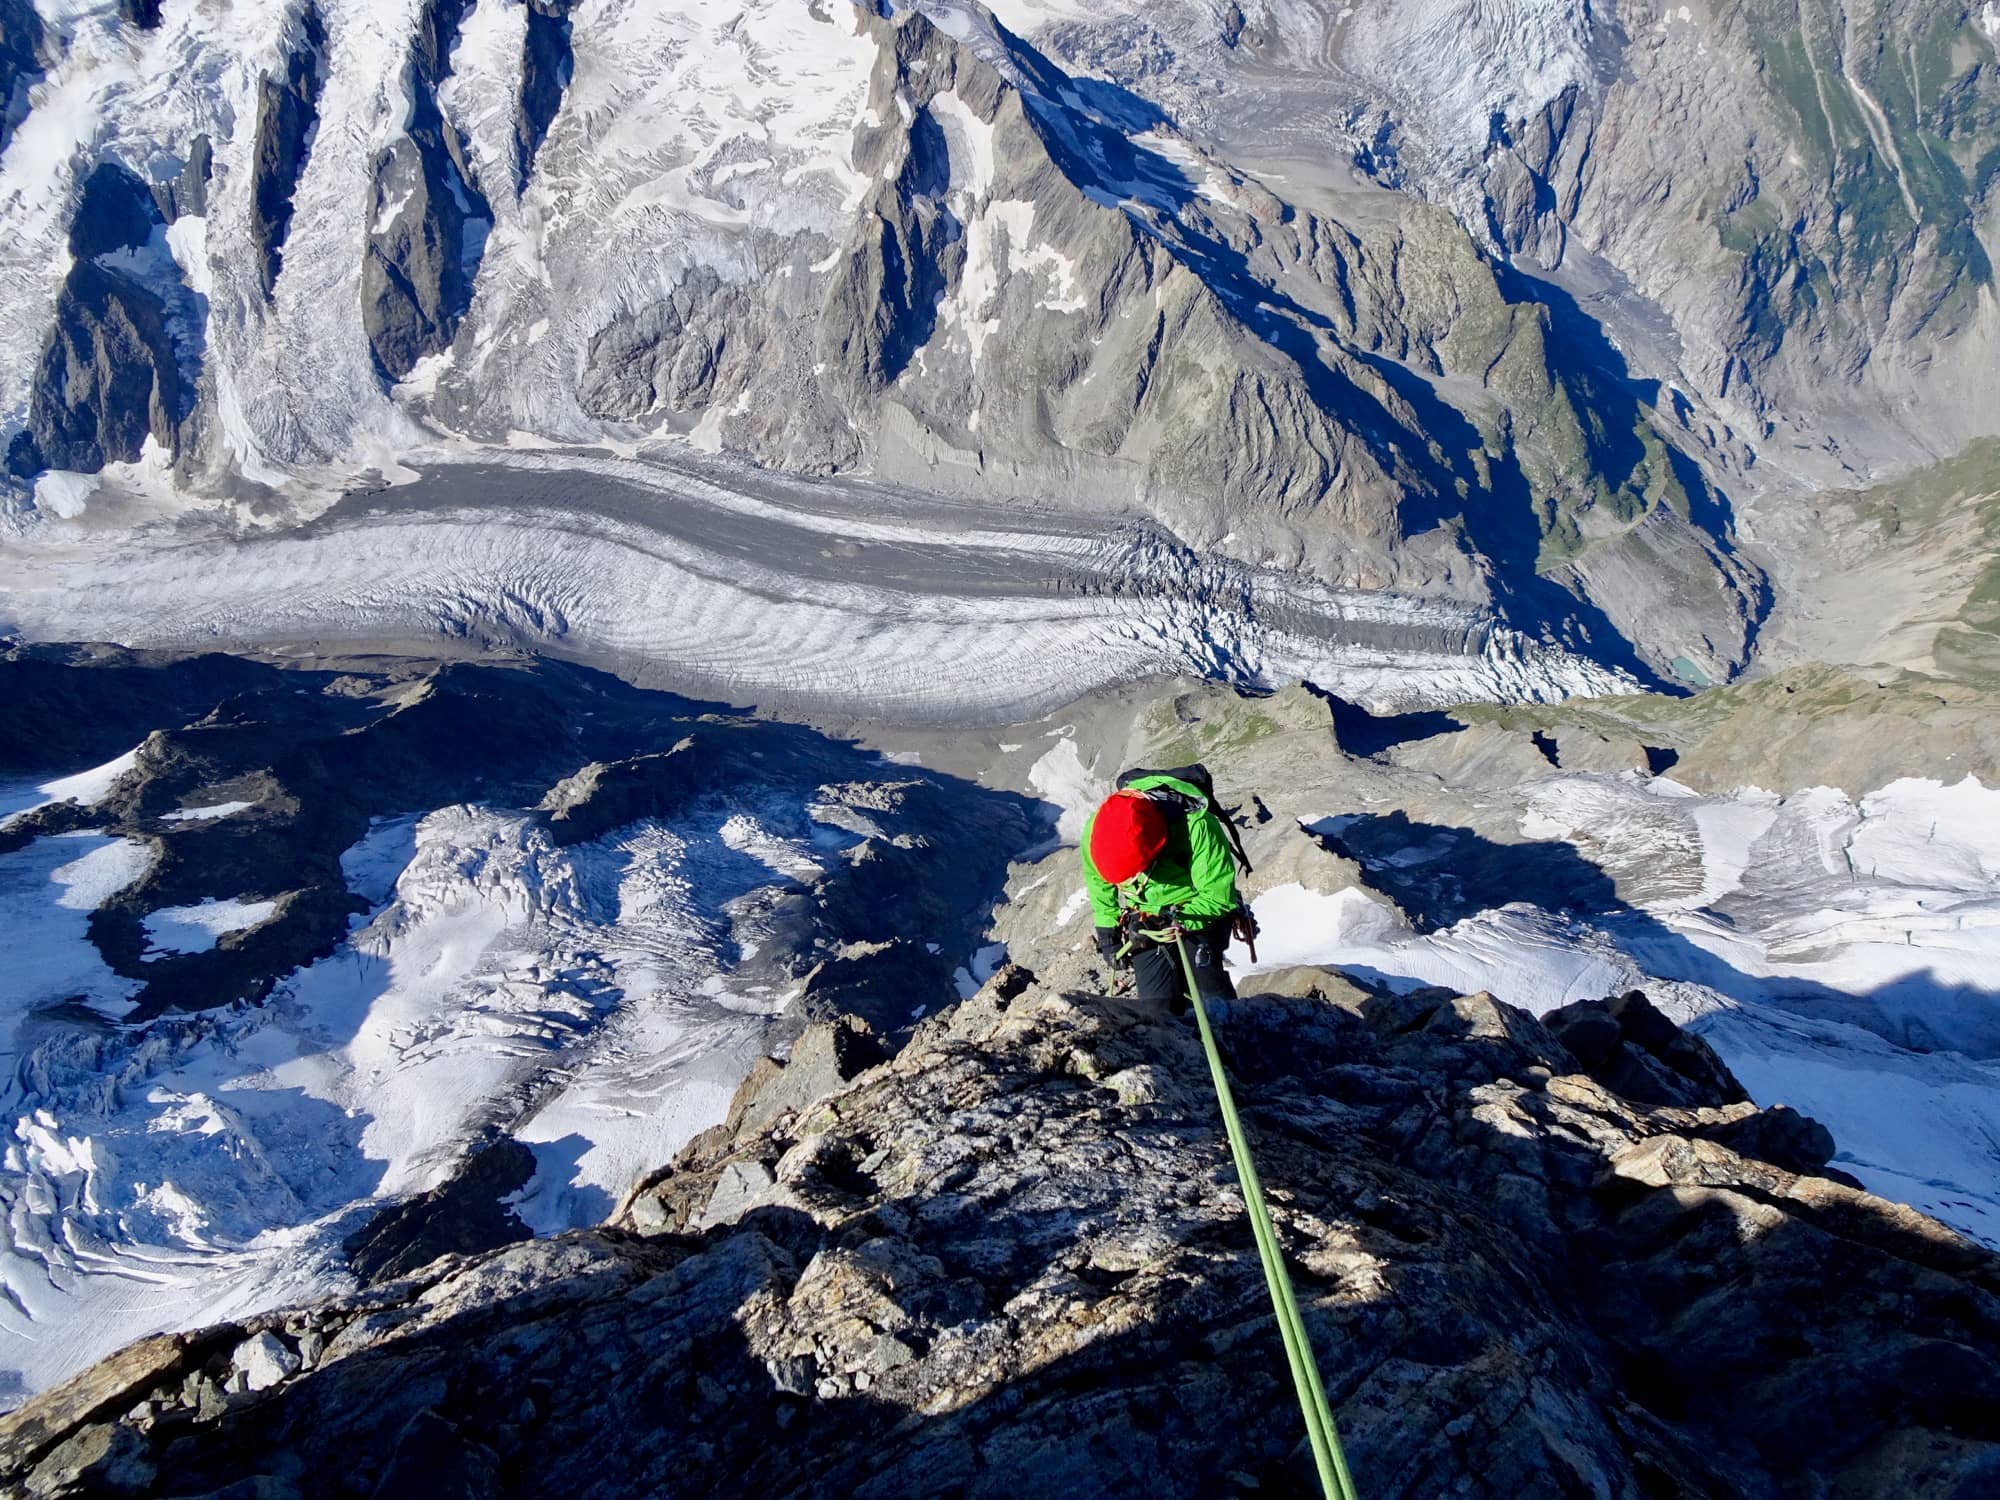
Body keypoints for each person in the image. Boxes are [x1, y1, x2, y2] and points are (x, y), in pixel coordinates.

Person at [1081, 766, 1251, 1010]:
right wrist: (1107, 931)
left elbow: (1218, 897)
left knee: (1214, 1004)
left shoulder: (1197, 825)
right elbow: (1097, 880)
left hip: (1200, 914)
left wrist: (1172, 921)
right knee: (1156, 1011)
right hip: (1145, 923)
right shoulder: (1096, 830)